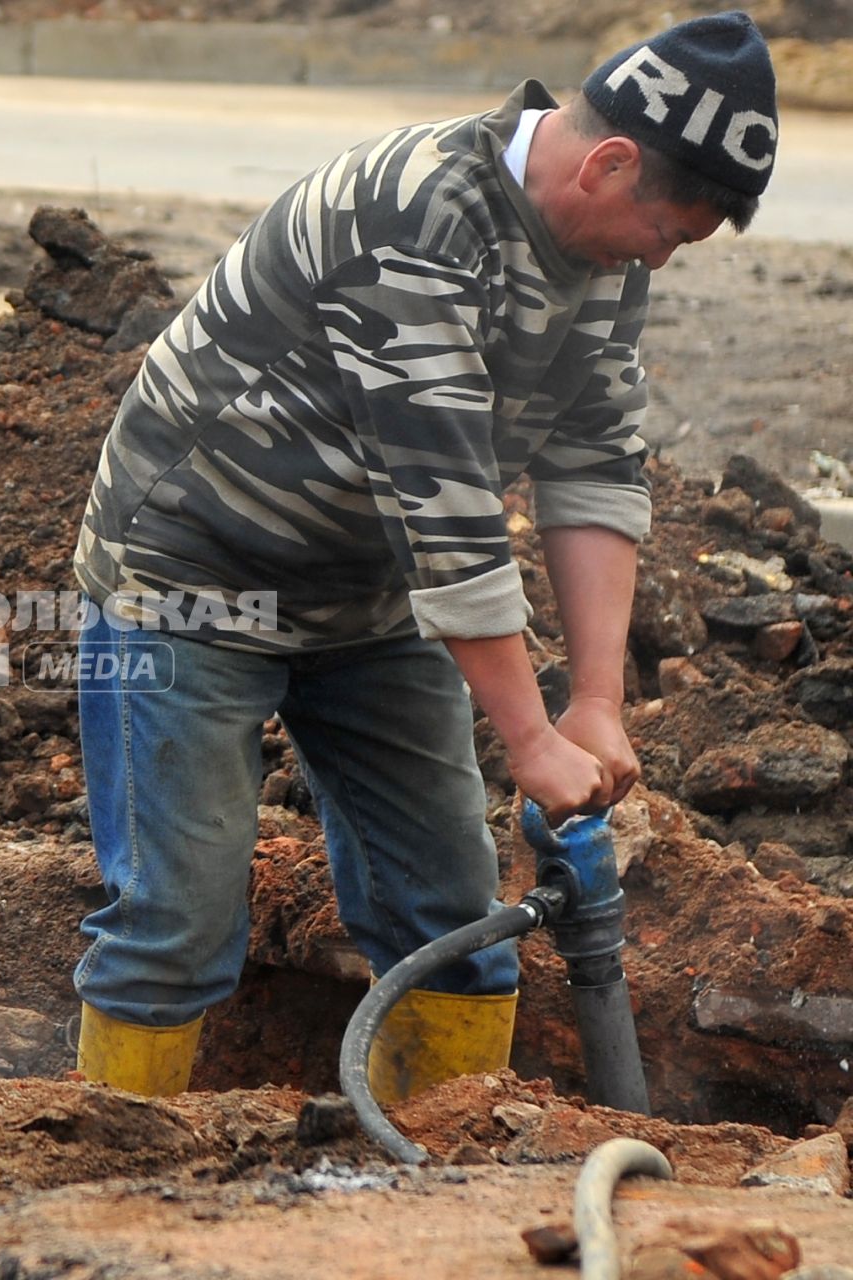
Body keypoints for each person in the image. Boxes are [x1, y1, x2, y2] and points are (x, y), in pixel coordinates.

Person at [69, 12, 777, 1096]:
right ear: (610, 160)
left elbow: (593, 466)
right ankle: (104, 1182)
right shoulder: (414, 215)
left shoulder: (601, 251)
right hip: (193, 578)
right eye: (669, 231)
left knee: (453, 906)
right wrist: (530, 737)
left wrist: (596, 702)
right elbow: (445, 512)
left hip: (371, 592)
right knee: (178, 914)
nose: (662, 258)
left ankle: (449, 1166)